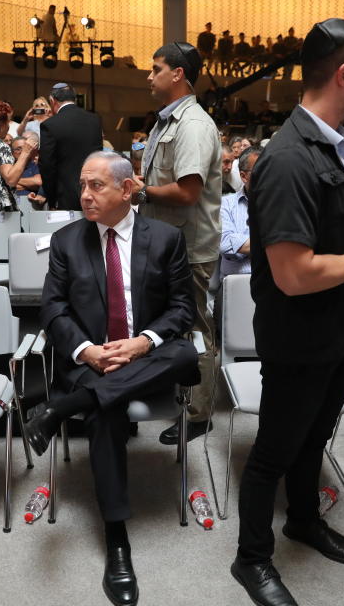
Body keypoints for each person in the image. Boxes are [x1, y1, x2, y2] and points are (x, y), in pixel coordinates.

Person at [231, 18, 344, 606]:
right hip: (298, 335)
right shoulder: (287, 159)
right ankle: (250, 557)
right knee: (274, 451)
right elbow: (293, 272)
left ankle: (302, 520)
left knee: (313, 442)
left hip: (338, 329)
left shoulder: (341, 147)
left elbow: (341, 239)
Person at [23, 151, 199, 606]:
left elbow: (183, 309)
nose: (85, 195)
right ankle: (116, 537)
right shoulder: (66, 242)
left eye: (95, 185)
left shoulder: (164, 239)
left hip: (149, 359)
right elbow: (53, 309)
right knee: (106, 408)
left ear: (126, 189)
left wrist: (141, 342)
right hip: (93, 361)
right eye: (82, 185)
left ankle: (61, 409)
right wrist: (88, 350)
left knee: (184, 352)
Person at [130, 41, 222, 447]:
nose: (149, 76)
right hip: (167, 244)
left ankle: (199, 414)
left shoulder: (193, 125)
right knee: (171, 327)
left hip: (189, 248)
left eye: (156, 69)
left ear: (178, 74)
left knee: (195, 330)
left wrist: (141, 192)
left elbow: (187, 193)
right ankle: (174, 394)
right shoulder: (166, 121)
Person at [39, 83, 103, 210]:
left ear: (52, 101)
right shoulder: (94, 120)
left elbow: (47, 166)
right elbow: (98, 156)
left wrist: (51, 199)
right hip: (94, 192)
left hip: (65, 197)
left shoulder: (50, 125)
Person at [219, 145, 262, 279]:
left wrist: (242, 244)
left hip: (271, 282)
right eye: (260, 171)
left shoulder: (281, 203)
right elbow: (225, 244)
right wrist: (273, 244)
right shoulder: (226, 204)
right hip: (235, 282)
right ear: (243, 176)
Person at [10, 132, 42, 196]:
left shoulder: (36, 164)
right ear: (12, 152)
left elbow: (38, 182)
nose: (22, 151)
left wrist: (11, 180)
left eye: (25, 148)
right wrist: (29, 185)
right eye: (18, 149)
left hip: (31, 202)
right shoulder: (9, 166)